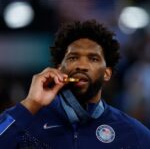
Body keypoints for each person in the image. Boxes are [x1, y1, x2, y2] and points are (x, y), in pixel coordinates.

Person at [0, 20, 150, 149]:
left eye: (93, 59)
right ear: (59, 68)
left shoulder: (131, 133)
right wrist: (31, 103)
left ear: (107, 73)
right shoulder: (27, 124)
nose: (82, 66)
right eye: (73, 58)